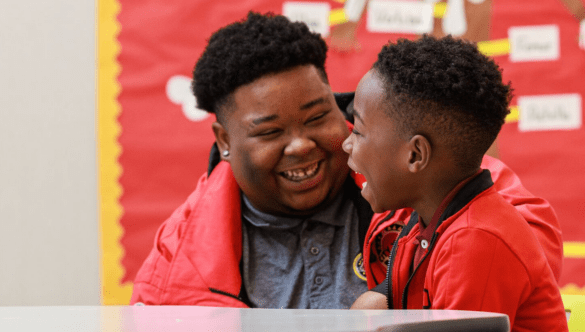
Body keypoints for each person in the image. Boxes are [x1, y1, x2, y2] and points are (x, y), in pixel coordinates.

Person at [130, 12, 562, 309]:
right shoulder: (181, 248)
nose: (300, 145)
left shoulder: (412, 171)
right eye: (270, 132)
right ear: (224, 140)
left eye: (319, 117)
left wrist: (399, 296)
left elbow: (522, 239)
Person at [344, 35, 567, 331]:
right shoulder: (424, 225)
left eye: (358, 132)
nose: (347, 144)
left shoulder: (475, 240)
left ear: (415, 155)